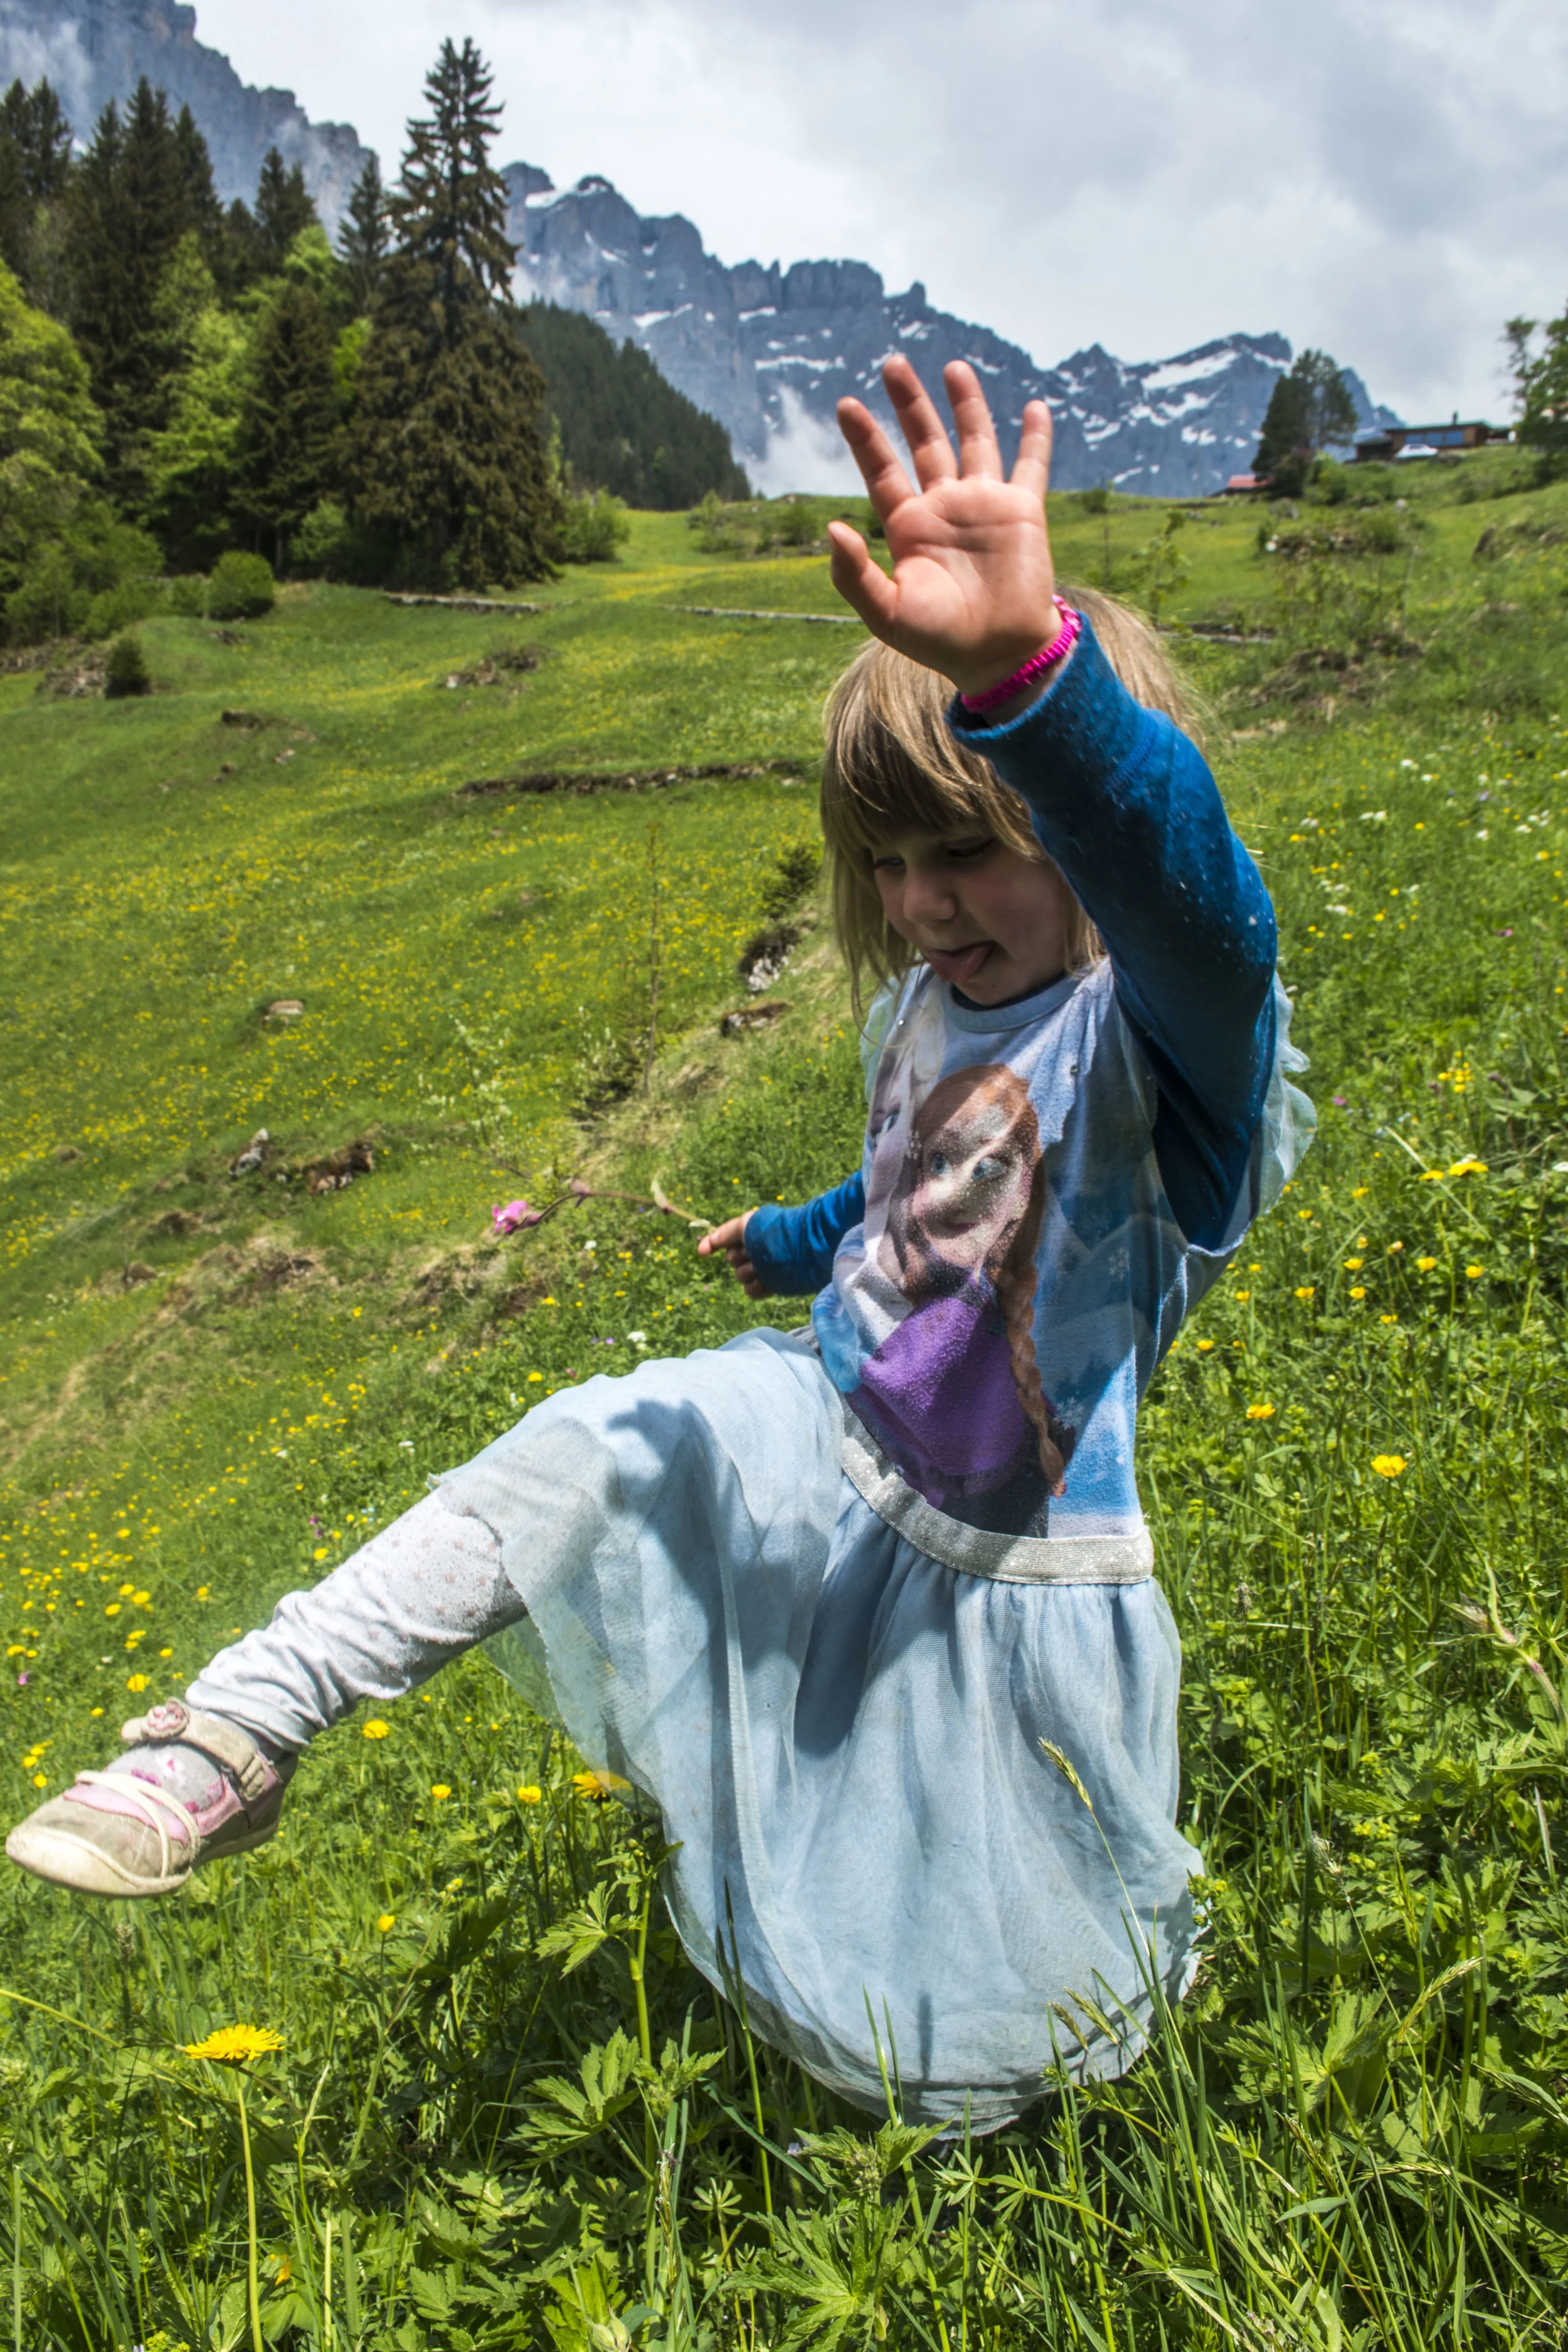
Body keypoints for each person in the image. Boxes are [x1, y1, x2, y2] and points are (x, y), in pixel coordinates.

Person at [6, 358, 1311, 2130]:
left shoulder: (1172, 1048)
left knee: (1005, 2000)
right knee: (579, 1447)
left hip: (1013, 1556)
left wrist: (1027, 685)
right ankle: (238, 1726)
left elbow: (1196, 905)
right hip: (813, 1435)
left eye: (970, 849)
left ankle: (1025, 2151)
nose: (925, 902)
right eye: (888, 861)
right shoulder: (932, 1005)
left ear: (1060, 818)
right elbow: (918, 1191)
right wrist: (790, 1242)